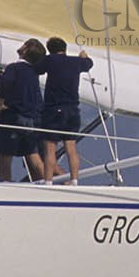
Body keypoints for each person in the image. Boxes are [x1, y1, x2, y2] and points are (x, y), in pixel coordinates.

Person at [0, 39, 45, 182]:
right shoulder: (33, 72)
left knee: (5, 156)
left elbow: (4, 90)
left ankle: (5, 184)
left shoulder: (14, 68)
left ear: (25, 50)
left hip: (13, 118)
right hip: (32, 119)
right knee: (32, 154)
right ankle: (48, 183)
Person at [36, 38, 93, 184]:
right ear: (65, 48)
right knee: (71, 147)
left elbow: (37, 69)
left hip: (54, 109)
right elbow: (89, 64)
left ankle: (48, 181)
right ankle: (74, 180)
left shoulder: (50, 60)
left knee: (50, 148)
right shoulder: (76, 62)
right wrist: (84, 57)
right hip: (73, 110)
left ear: (50, 49)